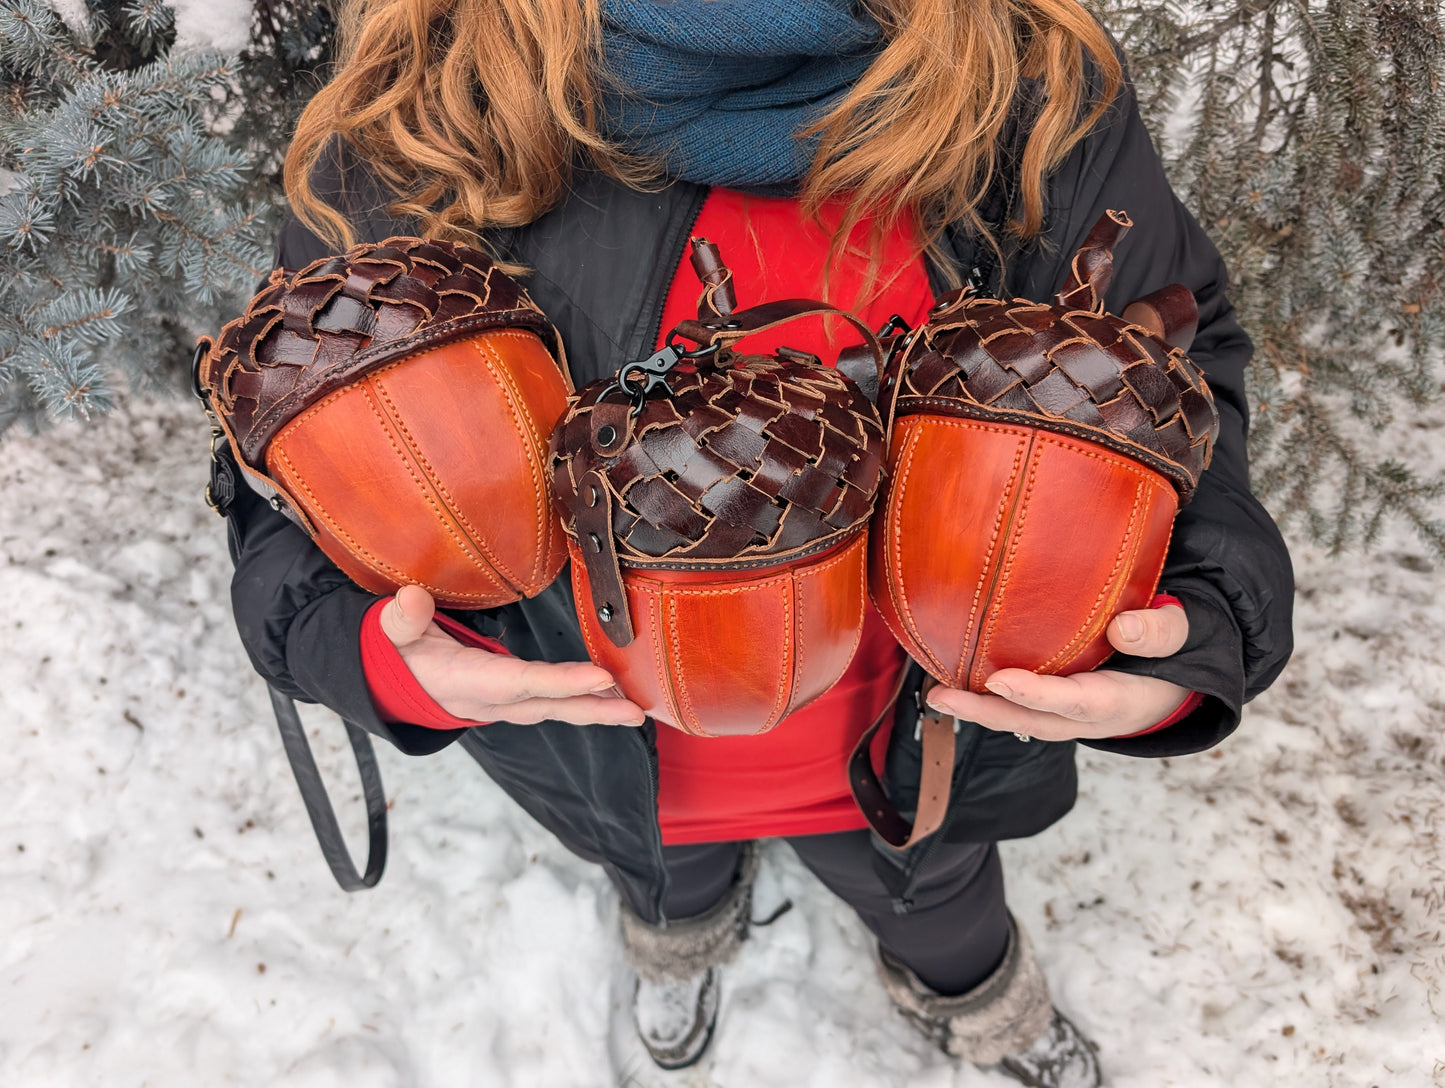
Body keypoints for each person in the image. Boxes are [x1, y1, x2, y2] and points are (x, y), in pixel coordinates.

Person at [224, 1, 1294, 1084]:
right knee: (662, 877)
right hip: (602, 744)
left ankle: (977, 996)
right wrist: (367, 647)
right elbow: (297, 453)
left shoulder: (1029, 85)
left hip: (917, 729)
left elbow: (1166, 360)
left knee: (933, 895)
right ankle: (679, 935)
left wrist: (1189, 617)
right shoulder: (429, 105)